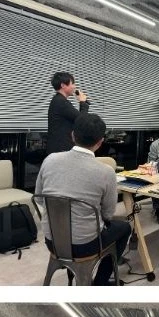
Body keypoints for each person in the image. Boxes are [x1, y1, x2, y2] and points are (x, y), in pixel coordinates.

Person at [33, 112, 132, 284]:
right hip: (85, 245)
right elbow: (108, 214)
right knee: (124, 228)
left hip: (52, 242)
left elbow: (40, 199)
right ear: (100, 142)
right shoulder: (106, 172)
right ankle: (100, 282)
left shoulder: (49, 160)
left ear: (73, 135)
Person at [46, 70, 89, 154]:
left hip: (59, 149)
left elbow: (78, 119)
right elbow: (82, 120)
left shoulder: (58, 100)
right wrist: (82, 102)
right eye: (72, 83)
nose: (74, 86)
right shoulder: (61, 102)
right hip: (61, 150)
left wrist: (82, 103)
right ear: (63, 85)